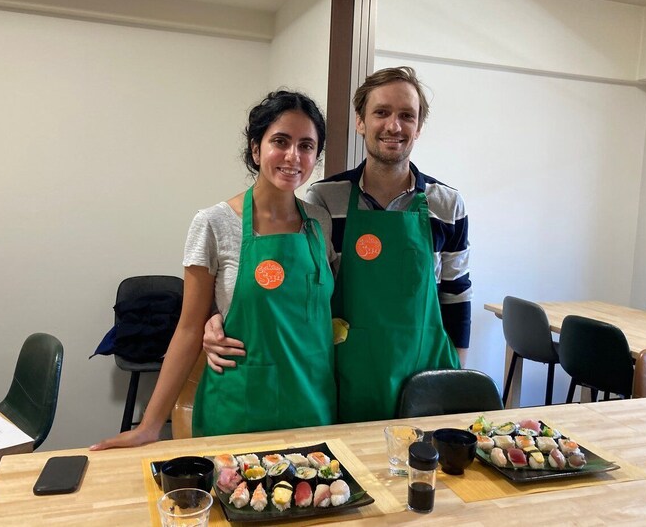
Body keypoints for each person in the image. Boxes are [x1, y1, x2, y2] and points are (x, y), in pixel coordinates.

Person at [204, 67, 471, 424]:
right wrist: (216, 319)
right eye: (381, 112)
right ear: (360, 122)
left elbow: (456, 294)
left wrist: (456, 378)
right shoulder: (325, 201)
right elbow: (299, 292)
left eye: (406, 115)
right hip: (346, 378)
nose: (394, 126)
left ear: (418, 126)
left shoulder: (448, 205)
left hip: (423, 379)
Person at [91, 90, 336, 448]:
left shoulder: (319, 221)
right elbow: (188, 329)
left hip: (314, 408)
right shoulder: (214, 223)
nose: (293, 156)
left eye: (306, 146)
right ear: (256, 149)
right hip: (240, 409)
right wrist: (150, 426)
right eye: (280, 141)